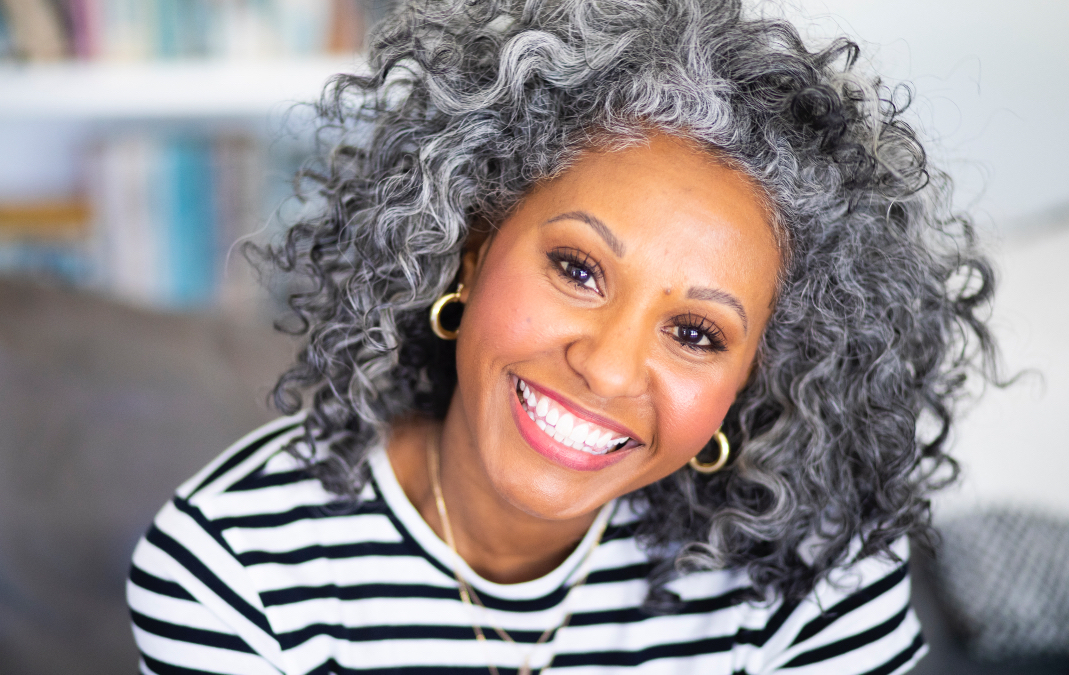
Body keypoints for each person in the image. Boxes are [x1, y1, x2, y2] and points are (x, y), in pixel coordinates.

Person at [127, 0, 996, 672]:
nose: (607, 365)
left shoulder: (818, 578)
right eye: (578, 269)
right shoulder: (233, 568)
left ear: (757, 378)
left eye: (696, 332)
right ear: (470, 244)